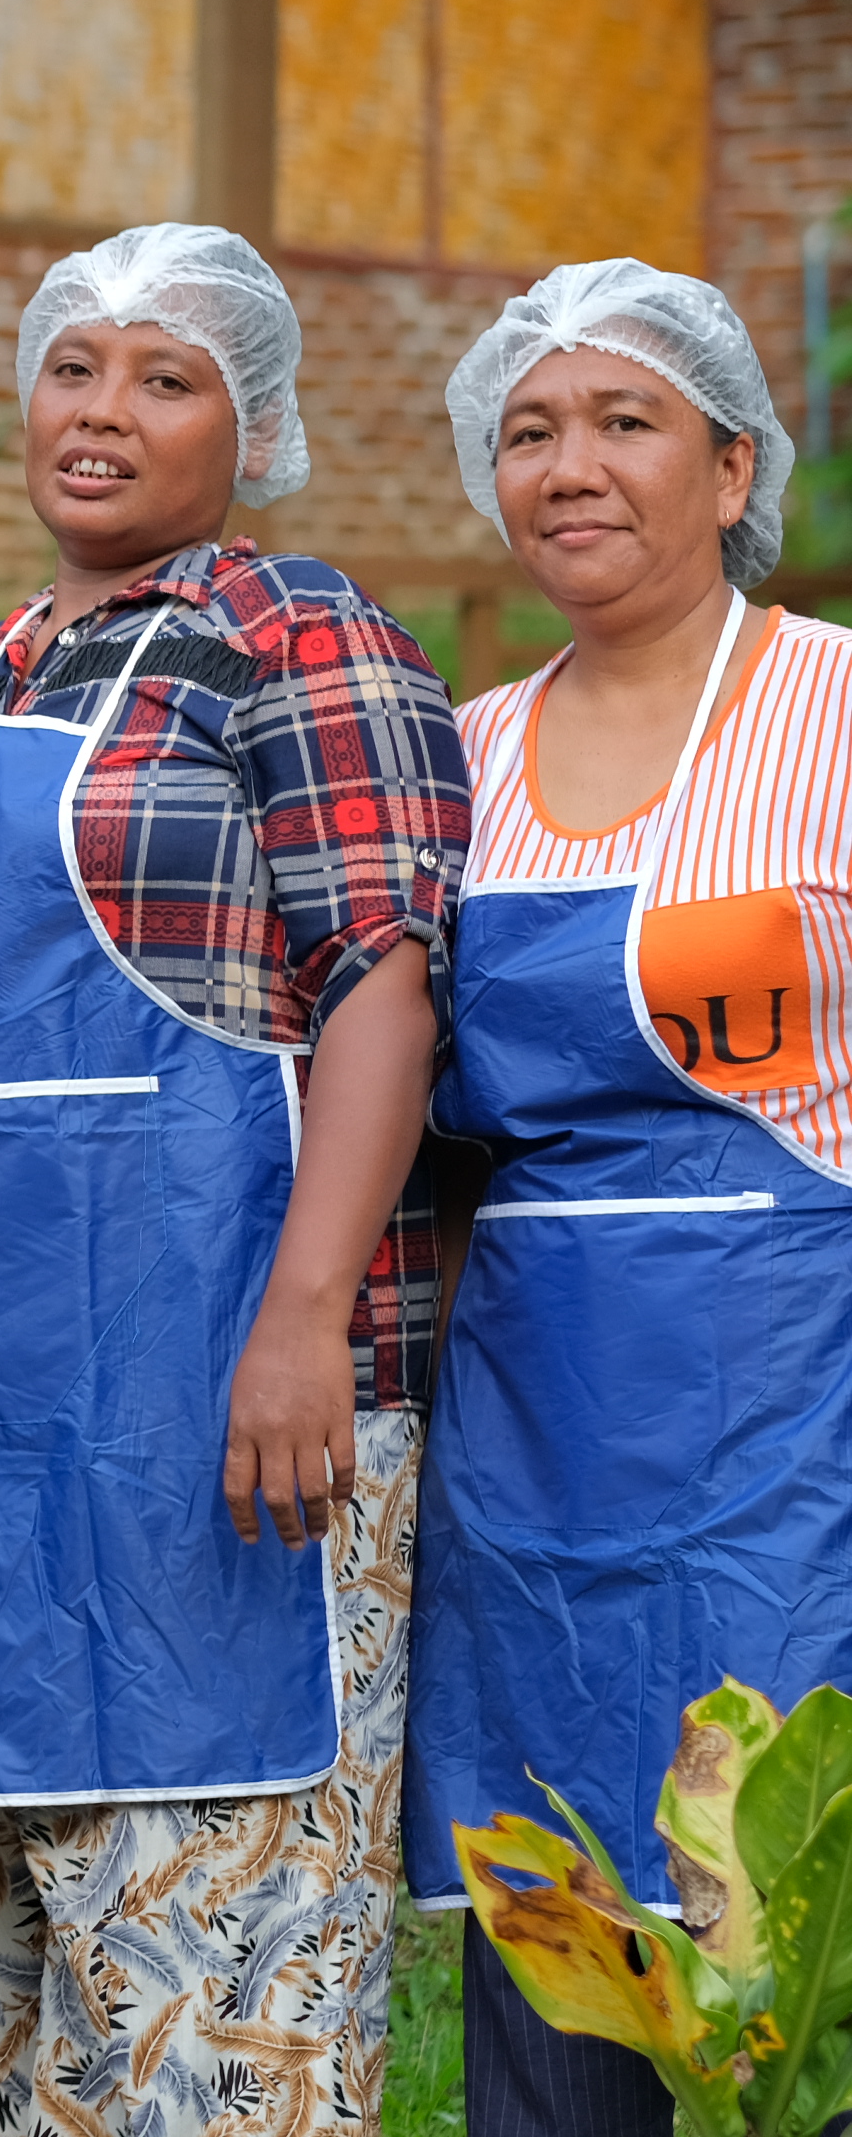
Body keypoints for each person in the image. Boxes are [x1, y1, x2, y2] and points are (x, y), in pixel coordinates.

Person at [0, 226, 470, 2132]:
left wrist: (302, 1323)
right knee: (29, 2035)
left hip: (227, 1415)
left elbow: (385, 980)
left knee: (225, 2037)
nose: (102, 410)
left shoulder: (297, 633)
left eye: (165, 377)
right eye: (74, 367)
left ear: (249, 425)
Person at [404, 262, 849, 2137]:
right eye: (530, 430)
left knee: (789, 1942)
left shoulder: (838, 709)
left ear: (734, 468)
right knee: (562, 1954)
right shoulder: (460, 758)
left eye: (625, 421)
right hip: (533, 1441)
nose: (569, 464)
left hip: (799, 1428)